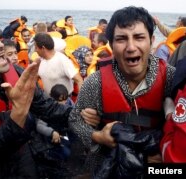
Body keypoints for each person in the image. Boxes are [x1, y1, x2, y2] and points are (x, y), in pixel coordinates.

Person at [0, 11, 99, 178]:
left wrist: (84, 116)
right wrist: (19, 113)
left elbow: (48, 108)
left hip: (27, 155)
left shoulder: (17, 73)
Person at [69, 6, 175, 178]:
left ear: (152, 40)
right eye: (121, 39)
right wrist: (97, 136)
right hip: (109, 165)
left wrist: (167, 150)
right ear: (111, 45)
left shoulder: (171, 79)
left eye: (139, 37)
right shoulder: (95, 83)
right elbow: (74, 121)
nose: (131, 47)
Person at [34, 32, 83, 97]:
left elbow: (79, 80)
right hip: (48, 101)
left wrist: (81, 104)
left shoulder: (62, 60)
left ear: (43, 48)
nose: (35, 50)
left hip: (64, 102)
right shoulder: (39, 61)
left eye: (36, 47)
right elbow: (35, 79)